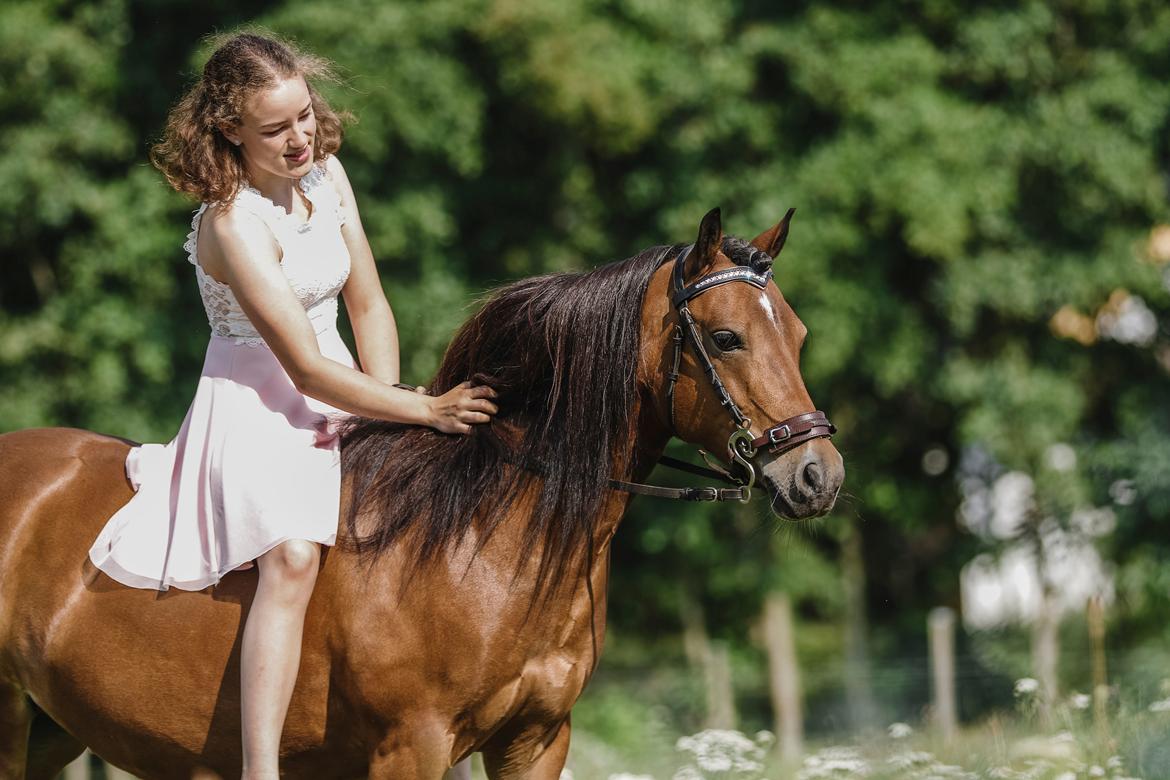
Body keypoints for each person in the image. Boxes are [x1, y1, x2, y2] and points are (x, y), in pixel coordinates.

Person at [87, 32, 493, 779]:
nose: (301, 137)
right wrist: (428, 411)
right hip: (256, 402)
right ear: (228, 129)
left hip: (348, 383)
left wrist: (392, 401)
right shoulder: (232, 224)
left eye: (304, 116)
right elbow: (300, 366)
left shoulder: (330, 175)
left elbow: (369, 304)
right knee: (294, 555)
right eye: (276, 129)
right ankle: (261, 767)